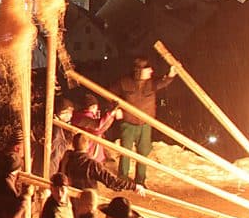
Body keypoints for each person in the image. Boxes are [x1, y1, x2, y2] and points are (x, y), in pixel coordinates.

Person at [115, 57, 178, 187]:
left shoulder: (152, 83)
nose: (151, 71)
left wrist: (171, 74)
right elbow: (109, 94)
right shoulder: (124, 82)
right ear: (139, 71)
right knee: (126, 151)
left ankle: (140, 180)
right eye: (148, 69)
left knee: (143, 152)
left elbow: (163, 82)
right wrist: (116, 109)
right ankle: (122, 178)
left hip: (145, 125)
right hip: (128, 123)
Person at [61, 132, 137, 192]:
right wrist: (134, 186)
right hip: (88, 198)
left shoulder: (67, 158)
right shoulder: (92, 164)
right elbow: (111, 181)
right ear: (87, 145)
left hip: (71, 195)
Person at [75, 97, 119, 165]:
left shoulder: (80, 116)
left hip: (91, 155)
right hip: (89, 155)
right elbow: (98, 128)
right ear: (93, 107)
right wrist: (111, 113)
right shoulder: (82, 117)